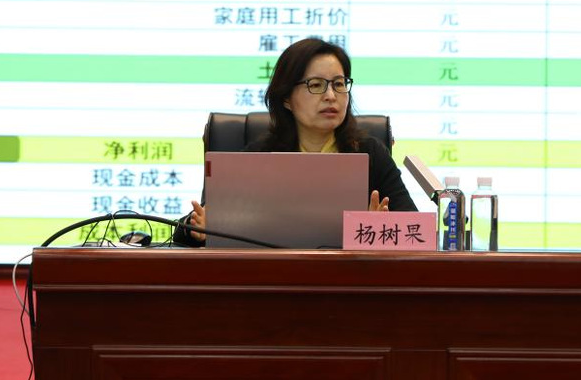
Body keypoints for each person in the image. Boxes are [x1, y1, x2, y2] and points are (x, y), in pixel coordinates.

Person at [178, 38, 417, 246]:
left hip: (350, 278)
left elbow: (415, 231)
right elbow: (186, 230)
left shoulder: (370, 153)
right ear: (286, 98)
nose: (331, 96)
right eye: (316, 85)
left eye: (339, 84)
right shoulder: (260, 155)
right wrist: (198, 227)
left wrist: (379, 229)